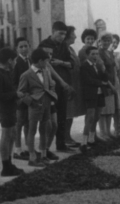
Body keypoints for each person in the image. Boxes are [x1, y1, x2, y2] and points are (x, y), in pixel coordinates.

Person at [39, 21, 75, 153]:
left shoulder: (64, 46)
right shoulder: (45, 45)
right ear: (53, 31)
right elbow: (47, 65)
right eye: (60, 34)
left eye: (64, 35)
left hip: (63, 85)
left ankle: (61, 144)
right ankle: (46, 148)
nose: (62, 37)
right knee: (49, 119)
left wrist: (62, 62)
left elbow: (72, 63)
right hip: (50, 86)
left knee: (62, 116)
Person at [18, 48, 57, 167]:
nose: (47, 64)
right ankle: (32, 157)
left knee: (44, 129)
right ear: (40, 61)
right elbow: (21, 92)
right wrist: (31, 102)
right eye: (46, 61)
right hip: (34, 106)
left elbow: (50, 85)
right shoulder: (26, 75)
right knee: (32, 130)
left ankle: (43, 155)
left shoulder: (45, 71)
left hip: (46, 104)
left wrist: (52, 96)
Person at [0, 48, 25, 176]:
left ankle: (9, 163)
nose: (15, 62)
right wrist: (15, 94)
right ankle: (5, 166)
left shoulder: (7, 72)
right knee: (6, 136)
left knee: (12, 135)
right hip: (4, 110)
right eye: (15, 60)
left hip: (11, 108)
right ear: (9, 60)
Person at [79, 46, 109, 154]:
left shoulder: (98, 66)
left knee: (97, 116)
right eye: (93, 54)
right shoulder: (84, 66)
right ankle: (83, 142)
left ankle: (91, 139)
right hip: (91, 94)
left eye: (97, 54)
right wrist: (101, 83)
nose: (95, 56)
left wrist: (103, 69)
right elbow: (88, 80)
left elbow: (106, 78)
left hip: (100, 93)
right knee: (90, 117)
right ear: (87, 55)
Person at [65, 26, 85, 146]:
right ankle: (65, 137)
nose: (75, 36)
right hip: (69, 83)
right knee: (68, 112)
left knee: (71, 112)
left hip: (75, 83)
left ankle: (68, 136)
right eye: (73, 34)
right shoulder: (65, 50)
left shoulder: (71, 49)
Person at [12, 37, 31, 160]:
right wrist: (20, 95)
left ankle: (28, 148)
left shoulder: (30, 61)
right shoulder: (16, 63)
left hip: (31, 97)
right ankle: (18, 149)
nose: (24, 49)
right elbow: (13, 82)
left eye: (26, 46)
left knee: (28, 123)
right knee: (18, 123)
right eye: (21, 47)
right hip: (20, 97)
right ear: (17, 49)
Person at [98, 32, 118, 140]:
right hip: (104, 84)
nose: (106, 43)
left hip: (112, 83)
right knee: (103, 110)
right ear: (100, 42)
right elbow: (102, 71)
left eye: (108, 41)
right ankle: (102, 133)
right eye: (104, 40)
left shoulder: (109, 53)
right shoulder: (99, 53)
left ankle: (108, 132)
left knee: (110, 110)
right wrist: (110, 85)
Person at [110, 34, 120, 136]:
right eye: (112, 42)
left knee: (117, 107)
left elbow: (119, 73)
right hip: (108, 82)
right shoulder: (102, 54)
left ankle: (117, 128)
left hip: (116, 83)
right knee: (108, 107)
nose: (114, 44)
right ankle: (105, 130)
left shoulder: (118, 56)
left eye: (116, 43)